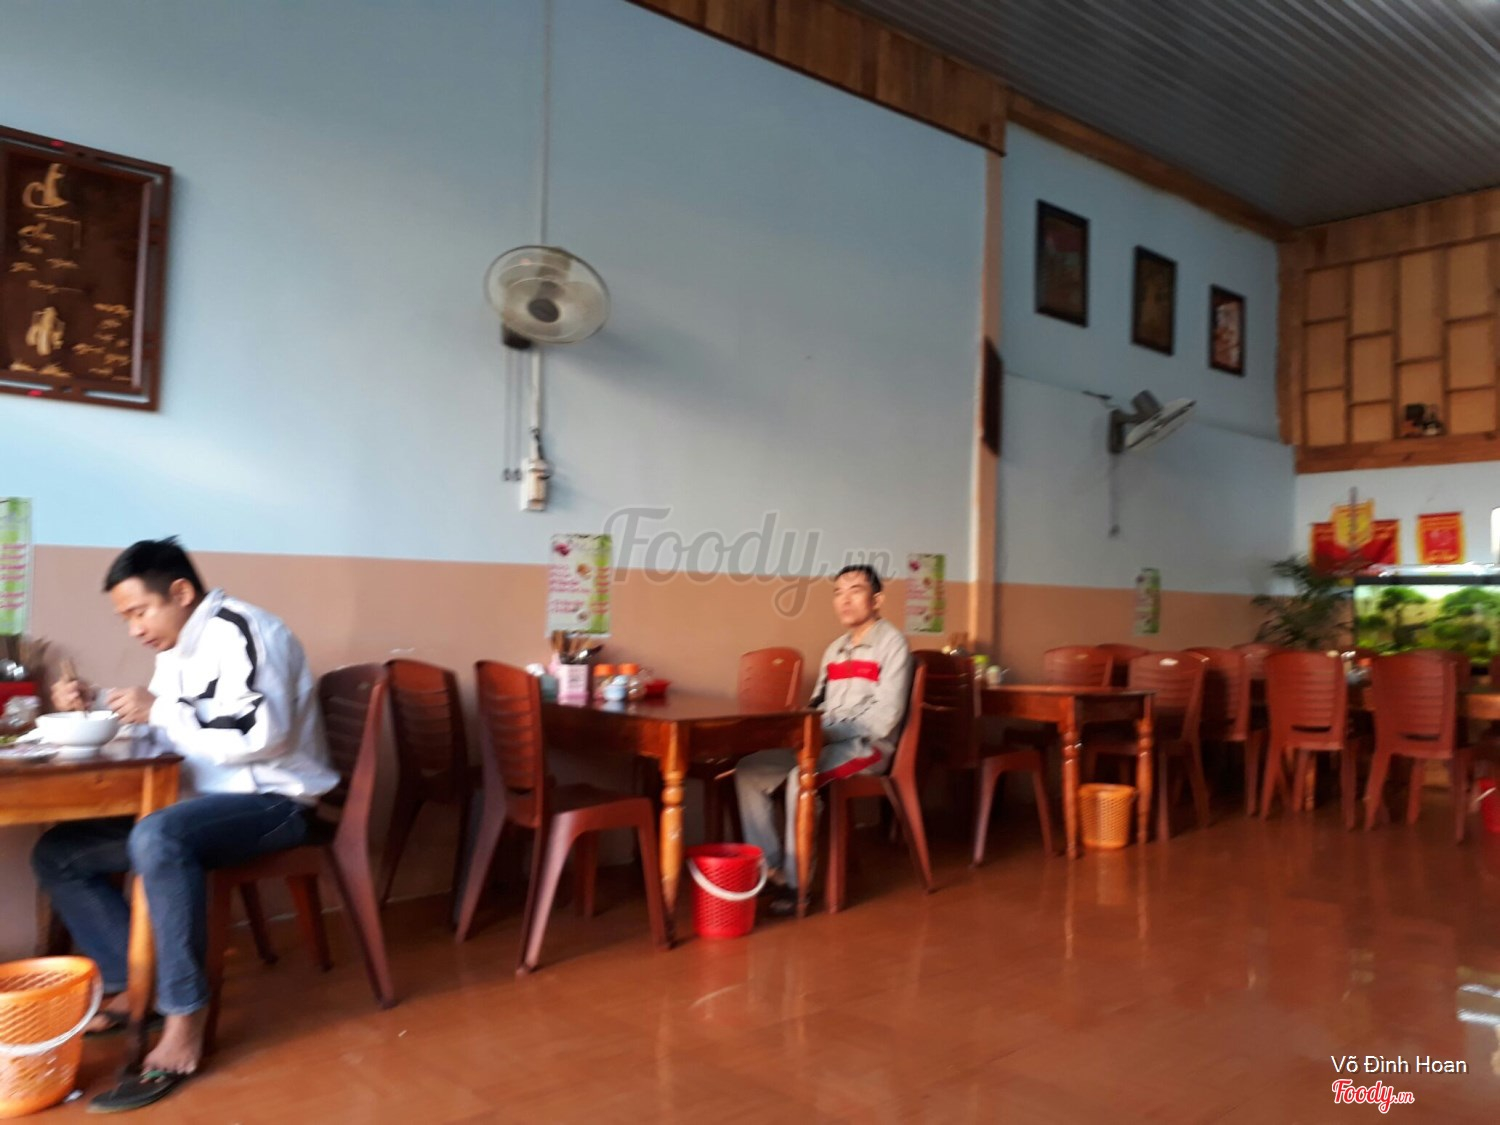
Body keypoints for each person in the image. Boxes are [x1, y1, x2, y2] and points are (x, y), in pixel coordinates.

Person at [32, 538, 337, 1111]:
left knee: (160, 835)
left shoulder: (245, 630)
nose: (134, 629)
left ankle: (183, 1022)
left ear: (180, 592)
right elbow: (175, 726)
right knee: (59, 852)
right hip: (206, 800)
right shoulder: (177, 650)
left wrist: (159, 709)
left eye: (139, 612)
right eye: (125, 618)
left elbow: (261, 733)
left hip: (277, 802)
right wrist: (98, 701)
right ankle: (134, 984)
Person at [734, 564, 911, 916]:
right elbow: (818, 706)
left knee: (801, 778)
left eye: (855, 591)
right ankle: (770, 869)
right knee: (748, 771)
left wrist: (826, 733)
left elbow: (885, 718)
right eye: (838, 593)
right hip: (825, 743)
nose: (845, 600)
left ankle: (798, 885)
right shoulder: (835, 650)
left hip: (869, 748)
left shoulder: (893, 644)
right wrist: (803, 728)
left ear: (877, 600)